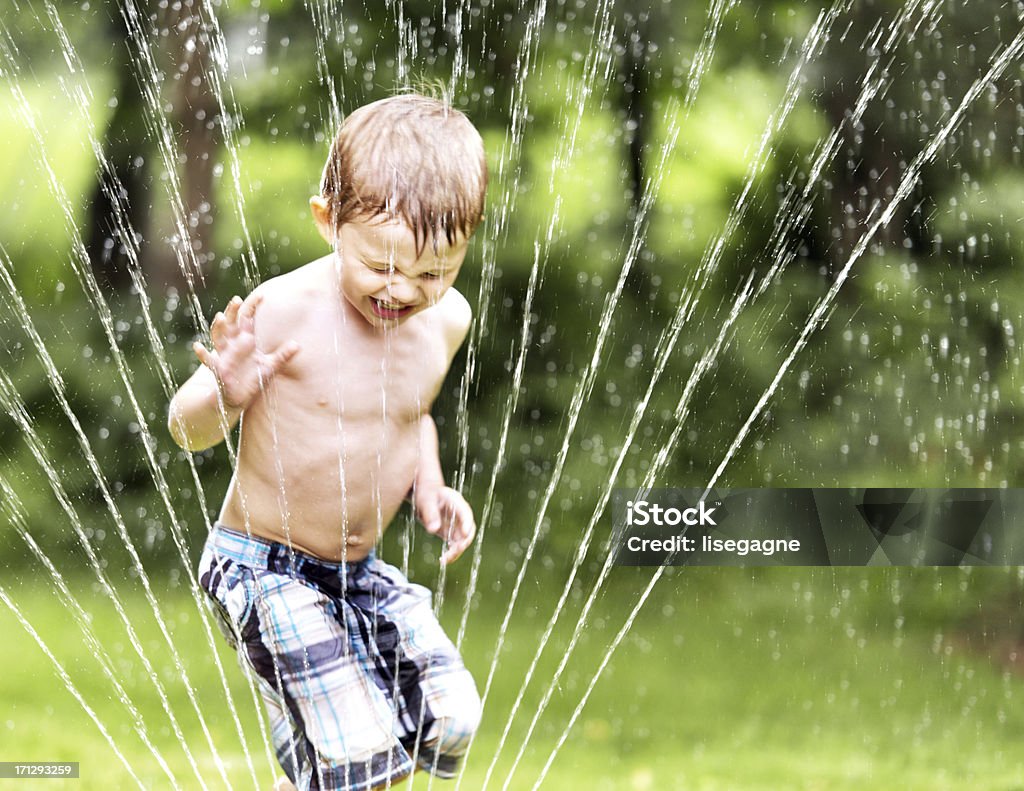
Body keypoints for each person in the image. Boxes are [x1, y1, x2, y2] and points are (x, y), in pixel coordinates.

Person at [167, 93, 487, 791]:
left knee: (446, 715)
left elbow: (410, 414)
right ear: (327, 221)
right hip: (262, 567)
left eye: (433, 272)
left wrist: (430, 485)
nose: (402, 291)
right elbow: (185, 431)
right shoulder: (283, 311)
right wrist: (224, 391)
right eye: (380, 265)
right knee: (358, 754)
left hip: (355, 573)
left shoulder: (447, 320)